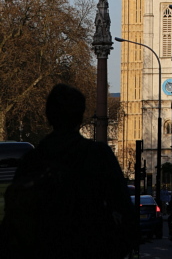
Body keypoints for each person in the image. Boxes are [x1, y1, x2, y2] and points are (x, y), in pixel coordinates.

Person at [0, 83, 136, 259]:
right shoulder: (98, 155)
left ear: (48, 117)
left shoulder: (32, 160)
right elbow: (125, 212)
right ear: (80, 117)